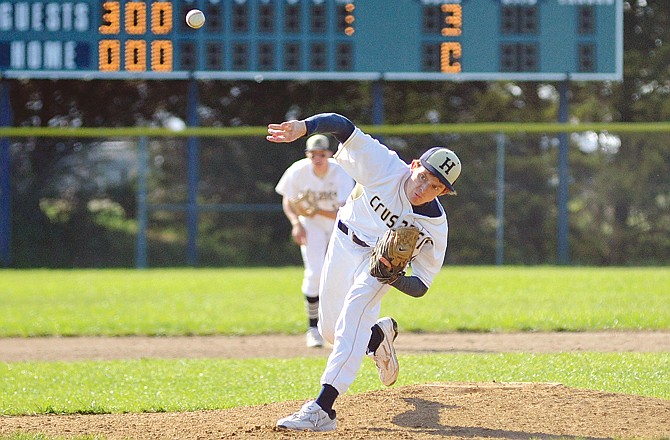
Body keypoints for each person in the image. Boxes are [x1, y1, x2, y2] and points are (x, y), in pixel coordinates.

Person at [266, 113, 461, 432]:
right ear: (414, 165)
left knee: (354, 312)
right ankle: (376, 336)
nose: (424, 187)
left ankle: (322, 408)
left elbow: (422, 284)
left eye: (435, 186)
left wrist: (393, 276)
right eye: (424, 176)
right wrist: (304, 128)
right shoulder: (385, 166)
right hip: (343, 240)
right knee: (331, 331)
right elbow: (343, 127)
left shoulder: (434, 226)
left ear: (443, 193)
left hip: (377, 267)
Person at [275, 134, 355, 348]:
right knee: (314, 273)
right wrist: (296, 223)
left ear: (329, 154)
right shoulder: (298, 171)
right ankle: (313, 328)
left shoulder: (341, 172)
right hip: (311, 225)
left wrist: (315, 209)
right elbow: (288, 200)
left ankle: (341, 328)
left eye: (322, 154)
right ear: (308, 155)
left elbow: (342, 212)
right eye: (313, 154)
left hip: (338, 225)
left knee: (342, 274)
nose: (317, 158)